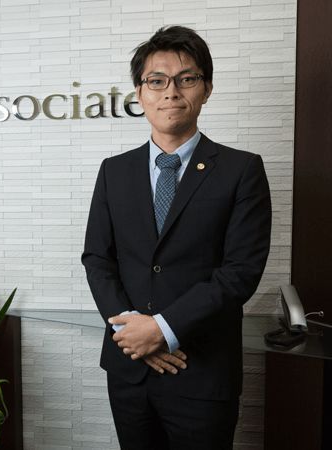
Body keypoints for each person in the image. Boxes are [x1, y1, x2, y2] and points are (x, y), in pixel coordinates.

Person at [81, 25, 272, 450]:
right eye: (157, 81)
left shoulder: (242, 170)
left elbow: (240, 272)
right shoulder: (114, 171)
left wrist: (163, 330)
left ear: (206, 89)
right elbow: (97, 259)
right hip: (130, 367)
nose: (171, 92)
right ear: (139, 92)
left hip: (202, 369)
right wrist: (133, 333)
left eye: (186, 79)